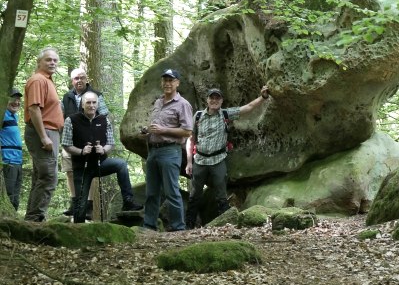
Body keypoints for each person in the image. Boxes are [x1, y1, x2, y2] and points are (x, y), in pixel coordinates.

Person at [185, 85, 270, 229]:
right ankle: (188, 224)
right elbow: (190, 139)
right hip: (200, 159)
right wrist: (189, 162)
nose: (214, 100)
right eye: (212, 97)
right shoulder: (198, 116)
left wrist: (263, 97)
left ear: (221, 101)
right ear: (207, 100)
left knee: (221, 194)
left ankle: (224, 225)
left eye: (217, 98)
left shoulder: (225, 114)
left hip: (218, 159)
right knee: (195, 194)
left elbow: (247, 108)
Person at [61, 91, 142, 223]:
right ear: (82, 105)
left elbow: (111, 143)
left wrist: (103, 150)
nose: (91, 105)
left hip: (100, 164)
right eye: (88, 102)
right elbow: (66, 145)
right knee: (80, 210)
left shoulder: (104, 120)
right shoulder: (72, 120)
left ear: (98, 104)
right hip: (81, 167)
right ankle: (78, 227)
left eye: (94, 103)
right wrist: (81, 151)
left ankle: (128, 200)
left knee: (120, 164)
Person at [143, 69, 193, 232]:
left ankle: (178, 227)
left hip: (170, 151)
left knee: (172, 191)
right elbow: (156, 127)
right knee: (151, 191)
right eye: (165, 80)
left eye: (171, 80)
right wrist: (148, 130)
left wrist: (163, 130)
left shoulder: (183, 104)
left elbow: (187, 131)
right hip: (153, 151)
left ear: (177, 83)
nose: (167, 83)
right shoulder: (158, 102)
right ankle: (149, 226)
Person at [60, 68, 109, 217]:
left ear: (87, 79)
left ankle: (87, 205)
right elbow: (61, 115)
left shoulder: (96, 95)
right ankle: (76, 203)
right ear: (72, 81)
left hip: (91, 139)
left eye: (82, 77)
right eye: (76, 78)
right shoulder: (67, 97)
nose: (79, 80)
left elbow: (105, 114)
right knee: (70, 171)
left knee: (90, 170)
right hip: (71, 140)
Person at [23, 47, 64, 222]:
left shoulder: (47, 81)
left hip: (50, 132)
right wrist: (43, 137)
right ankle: (35, 218)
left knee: (41, 175)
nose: (52, 62)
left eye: (55, 60)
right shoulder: (38, 80)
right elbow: (33, 109)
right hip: (43, 132)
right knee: (48, 176)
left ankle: (32, 217)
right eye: (48, 59)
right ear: (39, 62)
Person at [1, 89, 24, 211]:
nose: (16, 102)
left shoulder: (14, 116)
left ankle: (14, 219)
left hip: (18, 161)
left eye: (18, 99)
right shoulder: (2, 115)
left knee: (15, 196)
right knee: (9, 194)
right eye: (13, 98)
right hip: (8, 160)